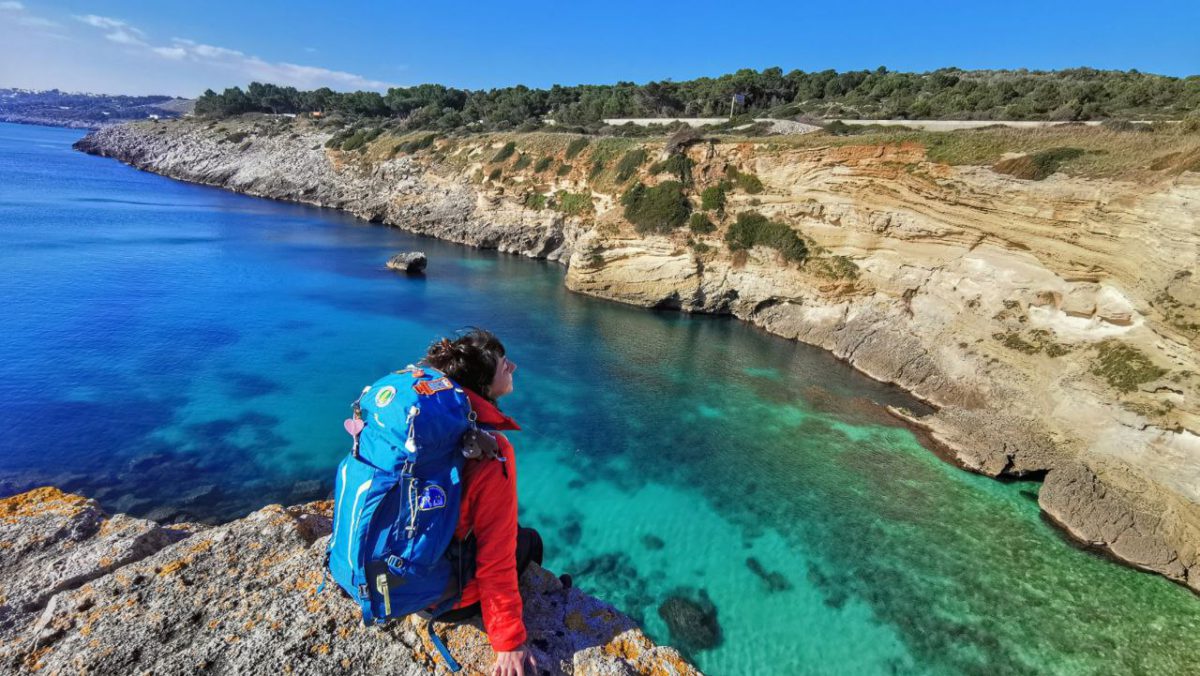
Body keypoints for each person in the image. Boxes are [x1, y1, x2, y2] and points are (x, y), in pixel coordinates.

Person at [422, 329, 542, 676]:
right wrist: (509, 641)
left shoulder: (421, 427)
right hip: (446, 601)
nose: (514, 367)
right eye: (506, 365)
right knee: (527, 539)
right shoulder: (489, 451)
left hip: (396, 583)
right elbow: (495, 556)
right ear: (485, 383)